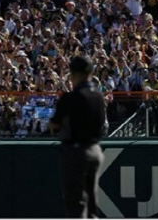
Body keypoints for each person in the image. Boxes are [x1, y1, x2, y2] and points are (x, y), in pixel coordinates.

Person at [49, 56, 107, 219]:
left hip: (76, 152)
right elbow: (102, 124)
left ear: (73, 74)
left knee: (76, 204)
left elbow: (54, 124)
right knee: (91, 202)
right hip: (95, 150)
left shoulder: (70, 97)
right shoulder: (98, 97)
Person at [143, 67, 158, 136]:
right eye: (151, 74)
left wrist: (152, 91)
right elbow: (144, 89)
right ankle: (150, 134)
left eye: (154, 74)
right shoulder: (145, 82)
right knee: (149, 119)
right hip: (149, 102)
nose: (152, 76)